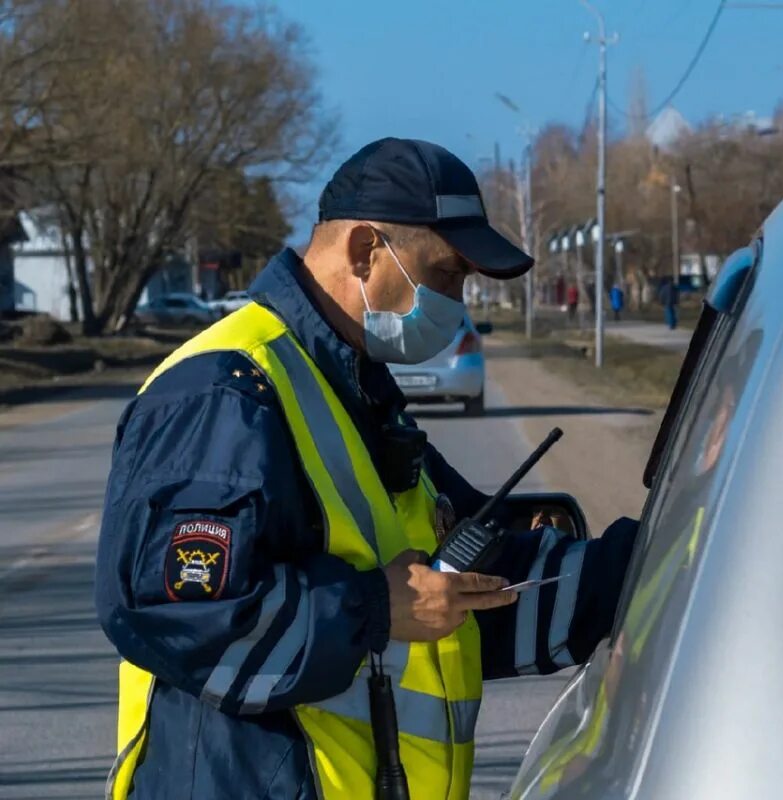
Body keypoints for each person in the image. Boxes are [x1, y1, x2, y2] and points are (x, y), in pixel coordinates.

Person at [95, 138, 637, 800]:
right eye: (445, 275)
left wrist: (650, 565)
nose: (455, 302)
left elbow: (460, 587)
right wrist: (374, 609)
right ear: (363, 250)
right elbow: (180, 616)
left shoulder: (353, 392)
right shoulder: (227, 392)